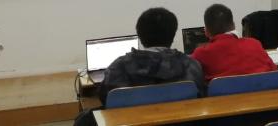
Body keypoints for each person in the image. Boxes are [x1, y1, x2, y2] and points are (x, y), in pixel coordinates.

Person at [74, 7, 205, 126]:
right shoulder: (191, 65)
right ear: (173, 34)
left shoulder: (119, 67)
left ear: (140, 35)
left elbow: (105, 99)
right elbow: (200, 95)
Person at [190, 3, 278, 82]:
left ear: (206, 31)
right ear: (234, 25)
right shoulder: (255, 44)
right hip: (265, 93)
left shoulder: (201, 54)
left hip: (225, 95)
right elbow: (275, 71)